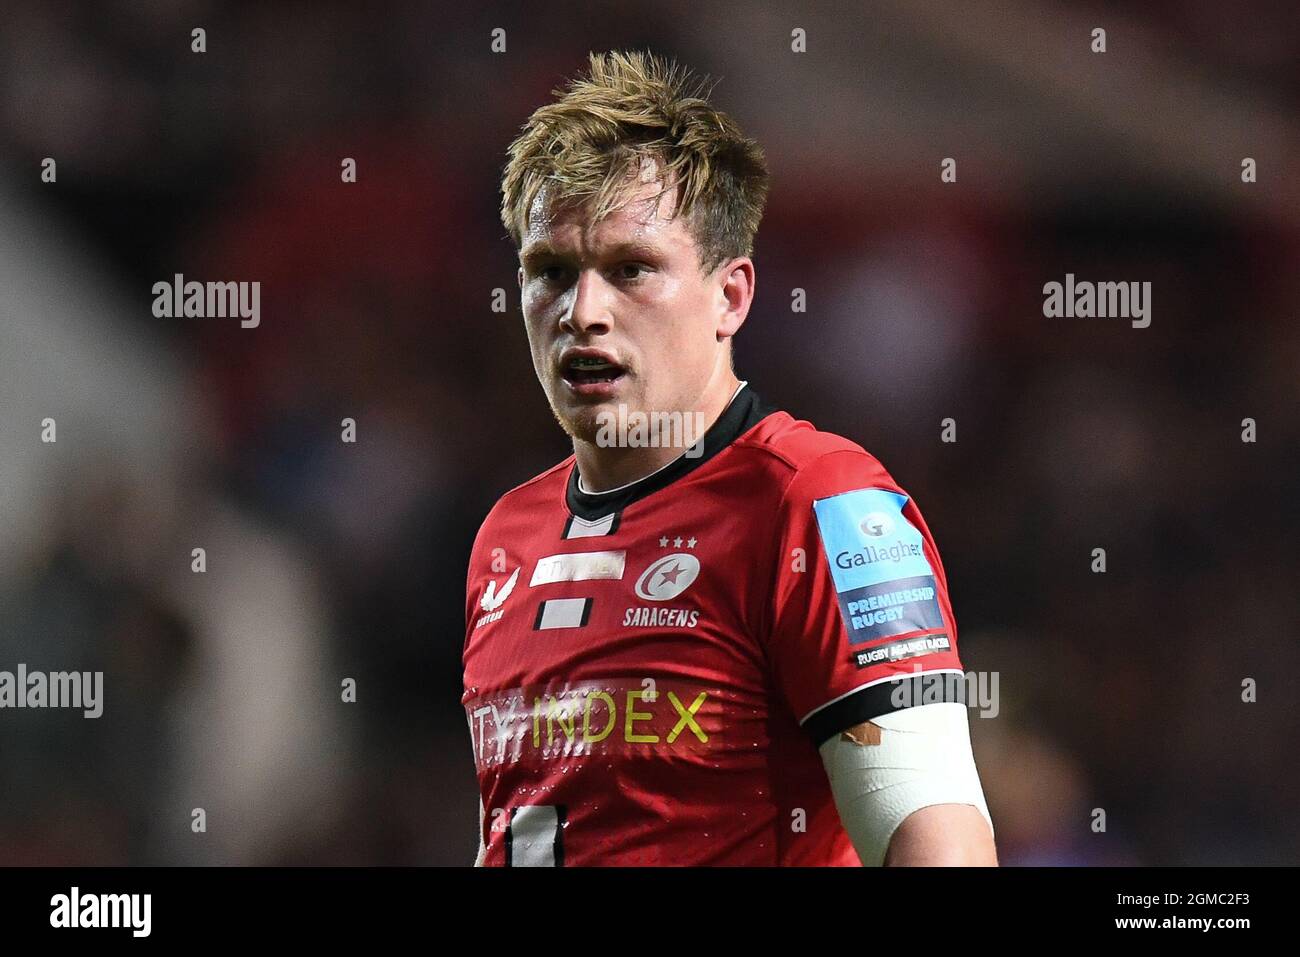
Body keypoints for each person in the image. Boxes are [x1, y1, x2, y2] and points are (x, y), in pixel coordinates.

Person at [462, 49, 996, 866]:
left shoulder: (822, 504)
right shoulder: (508, 535)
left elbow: (940, 845)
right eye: (552, 271)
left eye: (631, 268)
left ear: (731, 296)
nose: (583, 312)